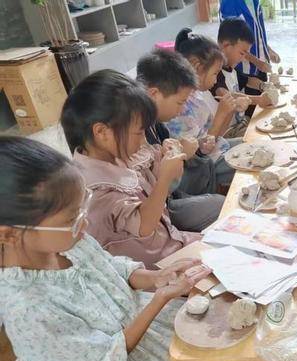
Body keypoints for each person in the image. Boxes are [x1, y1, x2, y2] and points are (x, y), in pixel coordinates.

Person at [0, 136, 216, 361]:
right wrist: (159, 299)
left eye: (82, 209)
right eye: (72, 218)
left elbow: (114, 269)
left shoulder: (65, 239)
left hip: (129, 325)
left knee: (208, 354)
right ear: (10, 234)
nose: (84, 223)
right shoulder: (25, 306)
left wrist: (155, 277)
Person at [60, 69, 201, 268]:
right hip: (155, 267)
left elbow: (150, 183)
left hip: (171, 241)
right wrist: (164, 179)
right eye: (139, 133)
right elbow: (144, 226)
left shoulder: (116, 155)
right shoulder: (94, 189)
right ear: (102, 132)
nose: (143, 141)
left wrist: (166, 155)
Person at [136, 49, 225, 232]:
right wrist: (181, 154)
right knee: (222, 206)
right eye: (180, 102)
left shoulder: (156, 124)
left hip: (170, 194)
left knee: (207, 169)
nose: (182, 109)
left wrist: (197, 149)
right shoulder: (135, 133)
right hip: (158, 209)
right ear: (154, 94)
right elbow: (154, 188)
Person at [167, 28, 241, 191]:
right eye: (215, 73)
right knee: (250, 163)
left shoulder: (197, 94)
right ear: (196, 67)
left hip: (217, 149)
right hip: (204, 167)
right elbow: (201, 153)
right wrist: (222, 113)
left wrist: (229, 110)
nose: (216, 80)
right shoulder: (181, 106)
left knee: (253, 145)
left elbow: (217, 136)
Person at [212, 17, 274, 137]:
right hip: (225, 133)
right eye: (241, 53)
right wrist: (259, 100)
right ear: (226, 46)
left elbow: (248, 80)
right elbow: (227, 96)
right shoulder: (215, 72)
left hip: (238, 123)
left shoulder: (231, 68)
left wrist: (264, 86)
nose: (243, 58)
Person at [220, 0, 280, 82]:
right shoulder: (229, 3)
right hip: (244, 71)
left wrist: (268, 50)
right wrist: (257, 62)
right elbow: (233, 43)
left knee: (265, 88)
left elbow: (257, 33)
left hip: (261, 67)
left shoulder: (255, 2)